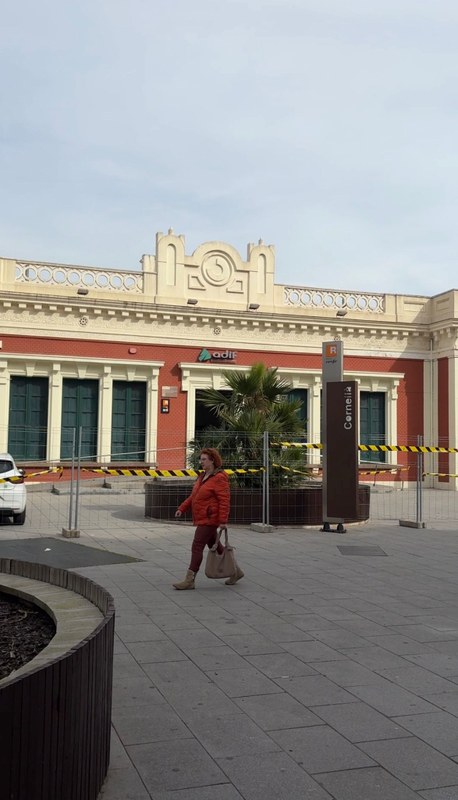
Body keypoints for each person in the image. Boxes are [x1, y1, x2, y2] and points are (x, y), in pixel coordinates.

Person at [173, 447, 244, 590]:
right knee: (215, 544)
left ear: (212, 461)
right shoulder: (202, 476)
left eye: (204, 459)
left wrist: (223, 521)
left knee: (197, 546)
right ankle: (236, 572)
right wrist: (182, 508)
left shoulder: (219, 478)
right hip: (203, 516)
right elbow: (194, 496)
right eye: (201, 459)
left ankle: (190, 579)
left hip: (210, 518)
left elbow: (224, 500)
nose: (201, 462)